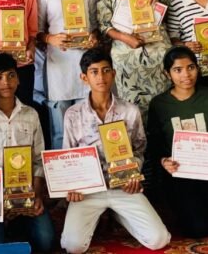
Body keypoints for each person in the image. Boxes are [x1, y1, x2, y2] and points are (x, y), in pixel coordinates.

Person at [60, 48, 171, 253]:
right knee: (73, 246)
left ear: (113, 73)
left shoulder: (130, 111)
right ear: (84, 78)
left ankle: (119, 214)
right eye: (94, 72)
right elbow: (69, 155)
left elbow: (139, 147)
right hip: (89, 190)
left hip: (123, 186)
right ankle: (101, 215)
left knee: (159, 239)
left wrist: (133, 174)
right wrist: (73, 186)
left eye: (105, 70)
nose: (100, 77)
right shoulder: (73, 114)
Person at [147, 46, 208, 239]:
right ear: (167, 74)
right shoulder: (159, 104)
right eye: (178, 70)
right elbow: (155, 143)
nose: (186, 75)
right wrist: (164, 161)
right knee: (199, 229)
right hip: (180, 173)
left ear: (198, 68)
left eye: (190, 67)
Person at [0, 53, 54, 252]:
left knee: (46, 241)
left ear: (18, 79)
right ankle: (11, 226)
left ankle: (20, 222)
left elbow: (38, 159)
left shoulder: (31, 114)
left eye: (11, 75)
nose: (6, 82)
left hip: (25, 193)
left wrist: (36, 195)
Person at [96, 0, 170, 119]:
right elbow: (103, 24)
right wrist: (125, 38)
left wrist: (156, 5)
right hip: (127, 56)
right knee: (134, 114)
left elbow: (166, 12)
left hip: (158, 52)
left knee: (165, 109)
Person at [37, 0, 98, 149]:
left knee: (88, 128)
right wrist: (50, 38)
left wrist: (94, 38)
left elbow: (95, 26)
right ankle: (62, 169)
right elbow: (36, 32)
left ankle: (90, 169)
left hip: (84, 64)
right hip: (58, 67)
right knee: (59, 131)